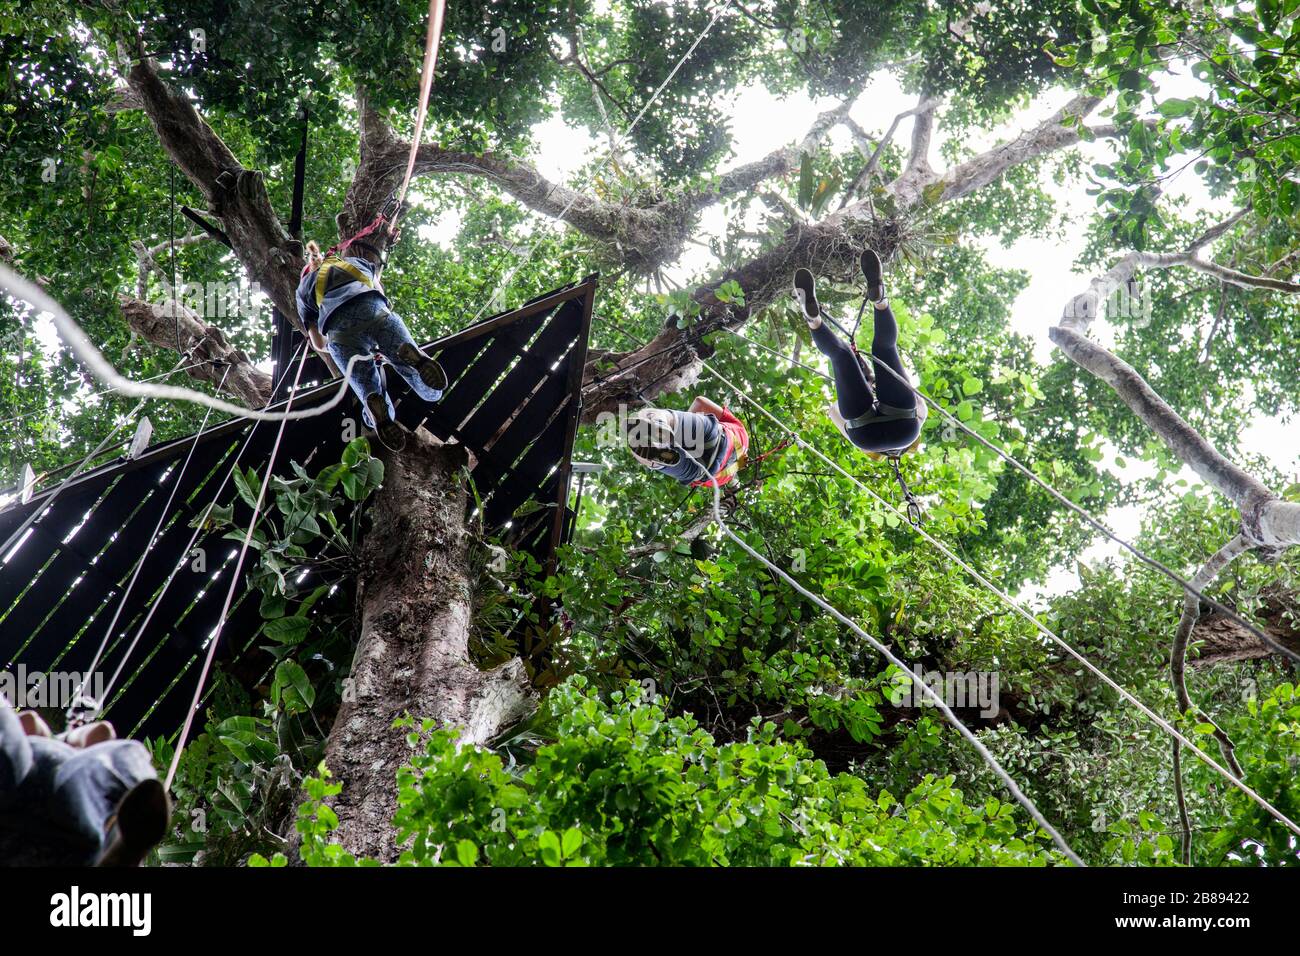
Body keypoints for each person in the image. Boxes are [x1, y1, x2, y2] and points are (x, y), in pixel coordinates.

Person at [296, 237, 447, 452]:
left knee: (368, 389)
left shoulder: (303, 289)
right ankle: (410, 356)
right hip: (376, 311)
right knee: (431, 393)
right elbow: (382, 294)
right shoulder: (356, 263)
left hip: (340, 334)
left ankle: (373, 406)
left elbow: (318, 343)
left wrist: (338, 347)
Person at [0, 694, 169, 866]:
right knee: (128, 753)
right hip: (73, 829)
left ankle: (127, 841)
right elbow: (102, 730)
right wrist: (69, 738)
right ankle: (129, 846)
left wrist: (65, 738)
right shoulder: (89, 765)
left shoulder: (33, 748)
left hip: (23, 792)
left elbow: (29, 720)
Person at [791, 249, 927, 457]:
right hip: (864, 435)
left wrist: (873, 384)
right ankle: (814, 321)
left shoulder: (916, 427)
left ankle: (880, 301)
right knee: (840, 355)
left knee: (884, 349)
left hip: (905, 427)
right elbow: (834, 412)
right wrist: (859, 387)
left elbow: (916, 400)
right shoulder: (866, 448)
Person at [625, 396, 750, 488]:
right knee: (646, 458)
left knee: (648, 414)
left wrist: (682, 431)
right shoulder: (722, 481)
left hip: (717, 436)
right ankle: (655, 455)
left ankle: (661, 423)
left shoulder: (743, 435)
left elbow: (700, 402)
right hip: (703, 471)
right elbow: (694, 482)